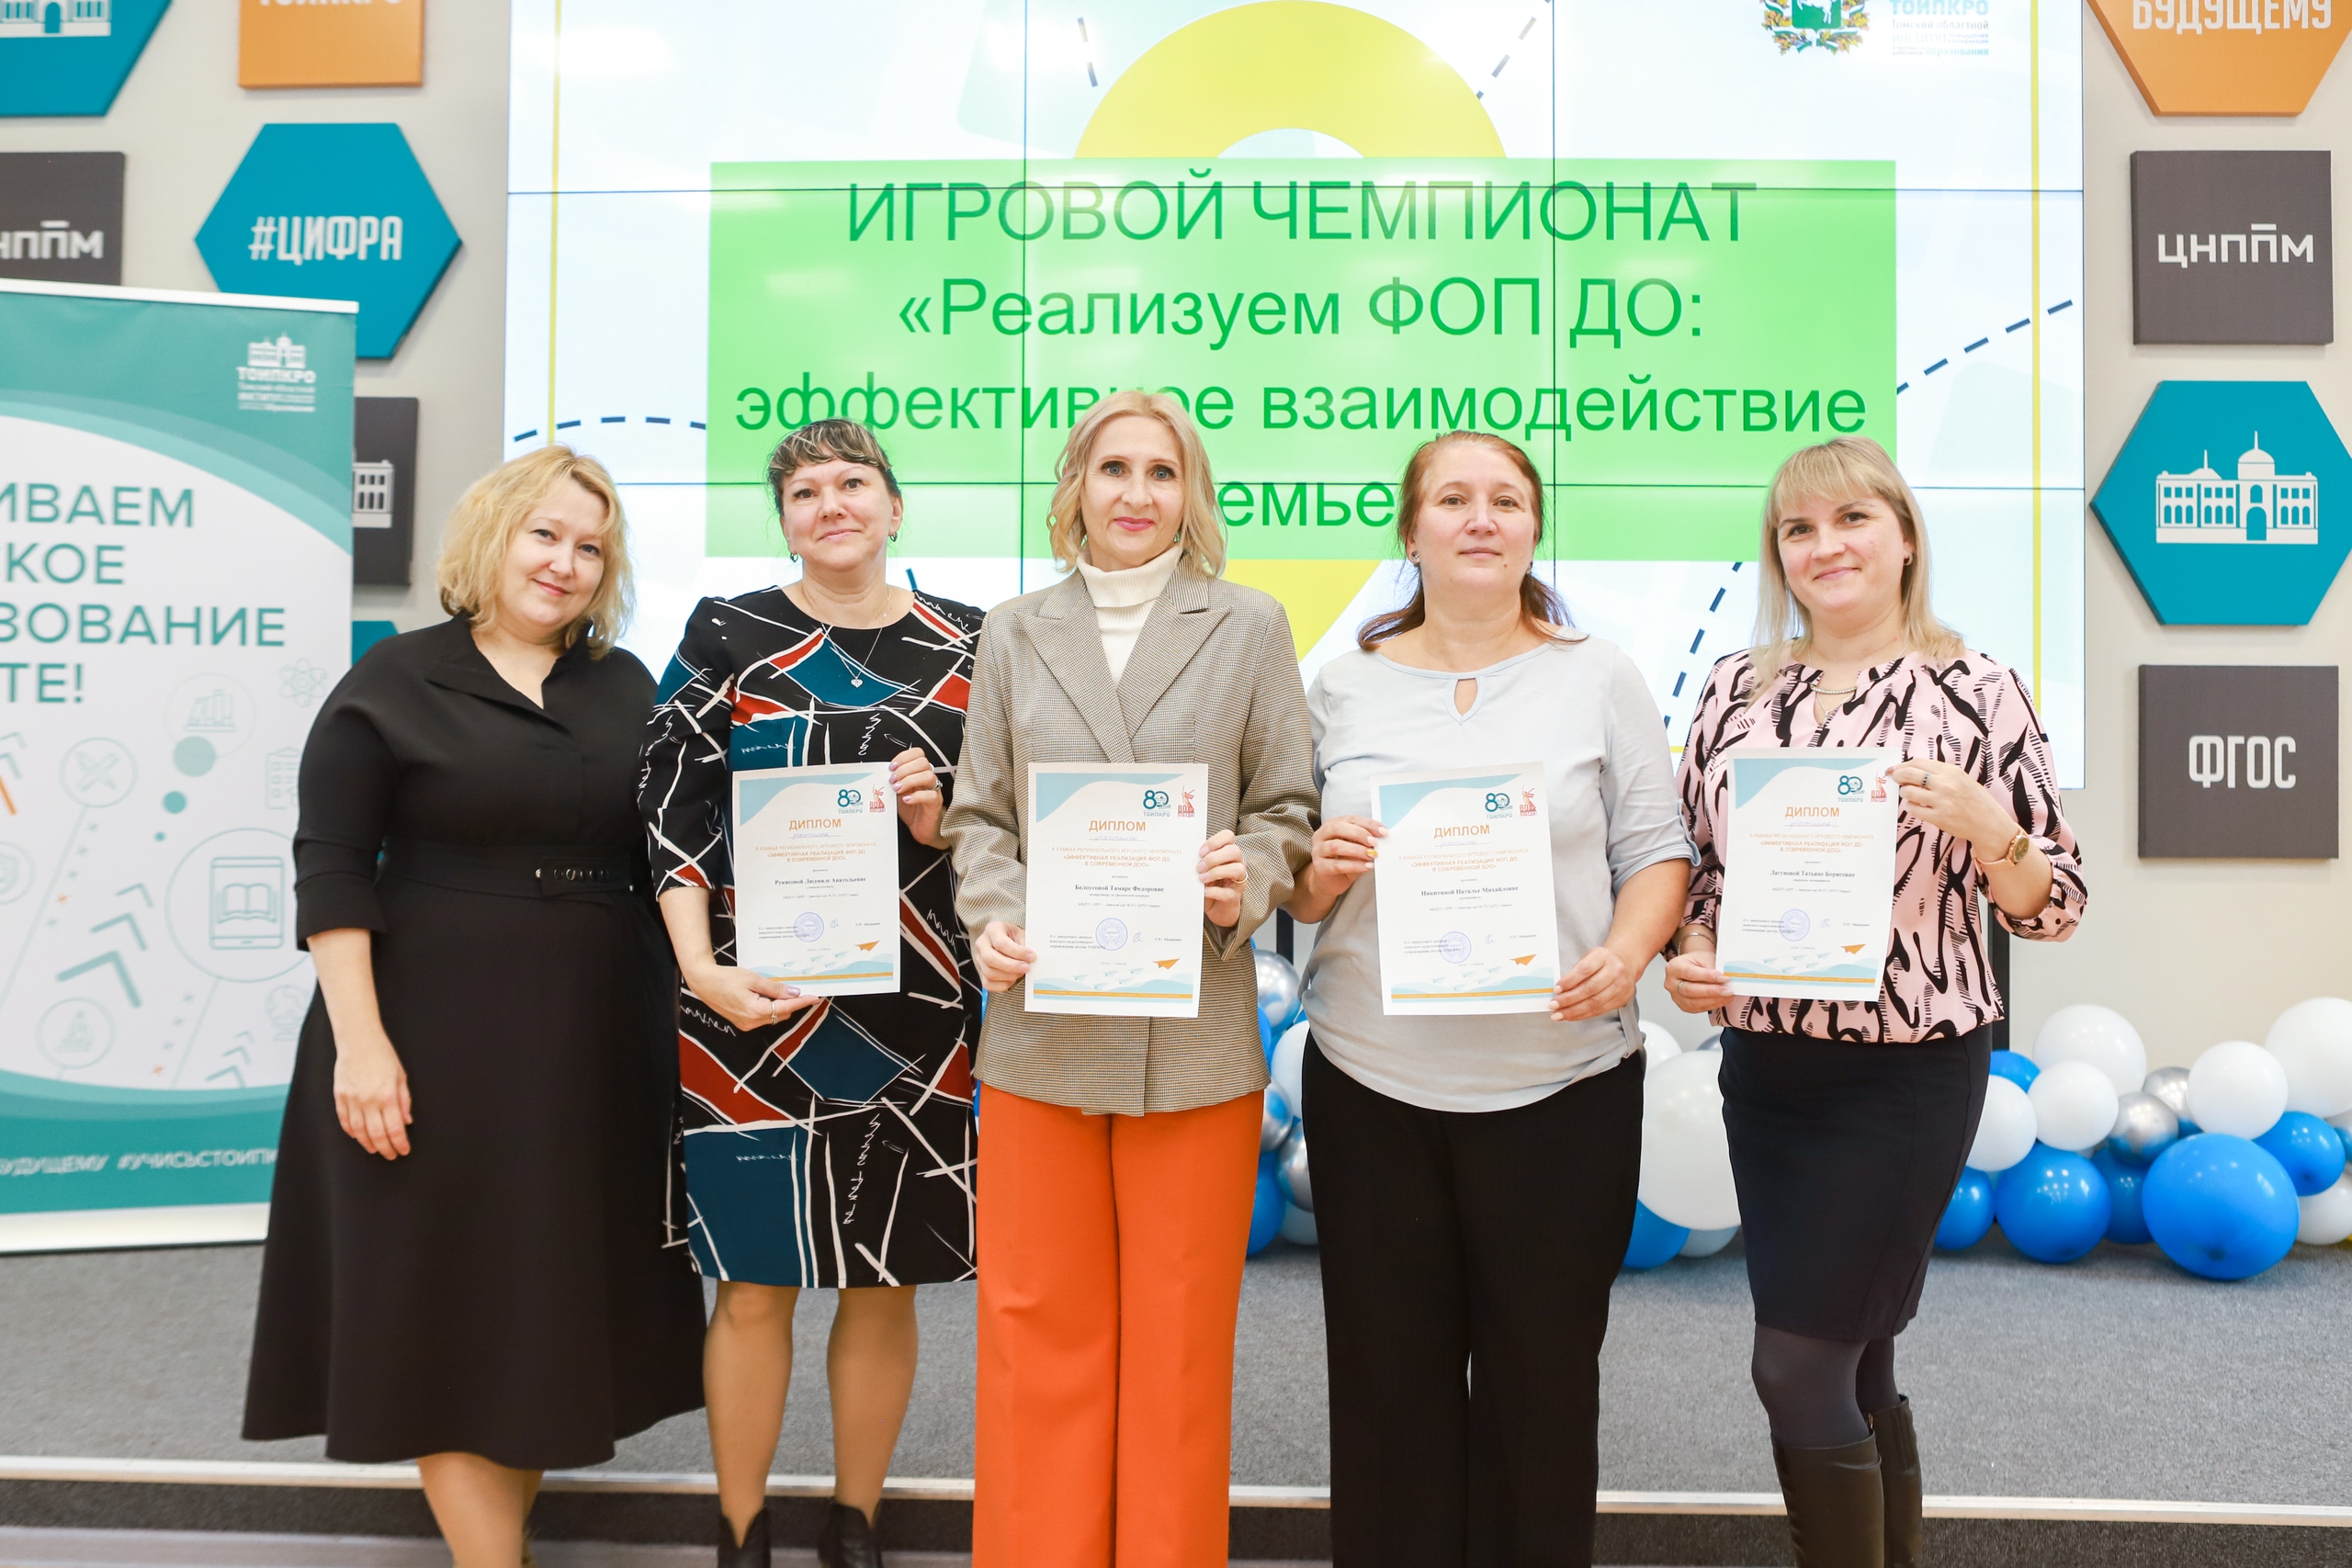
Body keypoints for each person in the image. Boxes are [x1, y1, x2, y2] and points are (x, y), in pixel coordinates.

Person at [243, 446, 707, 1568]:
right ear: (491, 536)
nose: (564, 562)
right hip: (430, 1032)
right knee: (444, 1304)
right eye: (544, 534)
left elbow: (681, 846)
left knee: (542, 1309)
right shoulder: (394, 679)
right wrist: (361, 1046)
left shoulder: (626, 686)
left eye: (589, 547)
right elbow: (331, 868)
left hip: (593, 1042)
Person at [1664, 436, 2086, 1568]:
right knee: (1857, 1358)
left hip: (1907, 1075)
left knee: (1793, 1365)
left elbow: (2055, 904)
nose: (1825, 546)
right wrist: (1690, 951)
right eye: (1798, 529)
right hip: (1767, 1072)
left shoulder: (1977, 690)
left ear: (1904, 538)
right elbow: (1700, 874)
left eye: (1852, 519)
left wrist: (1992, 832)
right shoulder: (1732, 688)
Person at [1284, 431, 1692, 1568]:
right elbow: (1294, 888)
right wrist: (1322, 869)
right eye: (1453, 499)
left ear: (1532, 529)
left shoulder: (1597, 674)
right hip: (1373, 1084)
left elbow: (1656, 850)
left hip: (1563, 1086)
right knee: (1388, 1394)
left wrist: (1627, 951)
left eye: (1504, 500)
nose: (1479, 518)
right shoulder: (1340, 686)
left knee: (1541, 1391)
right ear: (1410, 531)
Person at [941, 389, 1317, 1568]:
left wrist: (1246, 879)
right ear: (1077, 488)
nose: (1137, 493)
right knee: (1034, 1339)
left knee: (1177, 1351)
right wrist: (995, 919)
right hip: (1042, 1033)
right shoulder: (1014, 631)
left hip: (1192, 1039)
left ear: (1189, 493)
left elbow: (1286, 810)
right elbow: (980, 818)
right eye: (1114, 469)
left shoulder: (1248, 625)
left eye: (1162, 471)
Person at [639, 420, 986, 1568]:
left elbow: (999, 828)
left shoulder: (973, 641)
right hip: (751, 1001)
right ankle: (740, 1531)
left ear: (895, 506)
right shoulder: (727, 631)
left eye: (853, 482)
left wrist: (941, 816)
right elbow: (673, 809)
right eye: (804, 491)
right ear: (783, 520)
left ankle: (856, 1523)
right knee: (752, 1285)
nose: (831, 503)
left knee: (885, 1283)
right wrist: (698, 969)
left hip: (917, 1011)